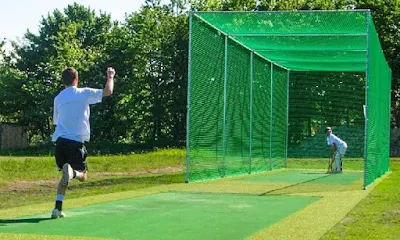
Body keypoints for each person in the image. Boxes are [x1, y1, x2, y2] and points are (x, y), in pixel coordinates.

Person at [50, 67, 115, 219]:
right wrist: (110, 76)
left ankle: (57, 209)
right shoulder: (83, 93)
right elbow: (108, 91)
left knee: (64, 177)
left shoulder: (58, 98)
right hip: (75, 142)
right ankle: (72, 173)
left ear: (63, 81)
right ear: (76, 79)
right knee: (83, 175)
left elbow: (56, 121)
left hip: (60, 143)